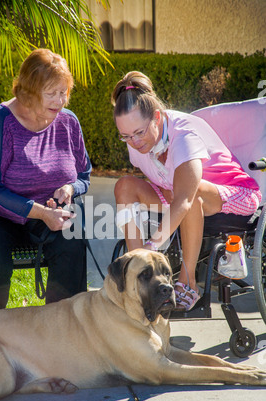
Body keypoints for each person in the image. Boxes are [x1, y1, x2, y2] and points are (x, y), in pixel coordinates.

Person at [111, 71, 261, 311]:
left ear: (157, 118)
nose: (135, 142)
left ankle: (188, 281)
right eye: (126, 136)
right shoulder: (135, 142)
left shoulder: (183, 135)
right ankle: (138, 275)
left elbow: (184, 199)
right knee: (125, 185)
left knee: (193, 194)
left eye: (139, 132)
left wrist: (154, 245)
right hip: (181, 193)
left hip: (236, 193)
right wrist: (143, 256)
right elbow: (166, 180)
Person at [0, 48, 91, 313]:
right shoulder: (2, 120)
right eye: (51, 93)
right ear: (30, 92)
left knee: (73, 237)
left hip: (46, 212)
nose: (60, 101)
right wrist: (41, 212)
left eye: (63, 92)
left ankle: (61, 325)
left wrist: (70, 187)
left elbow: (84, 175)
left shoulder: (68, 123)